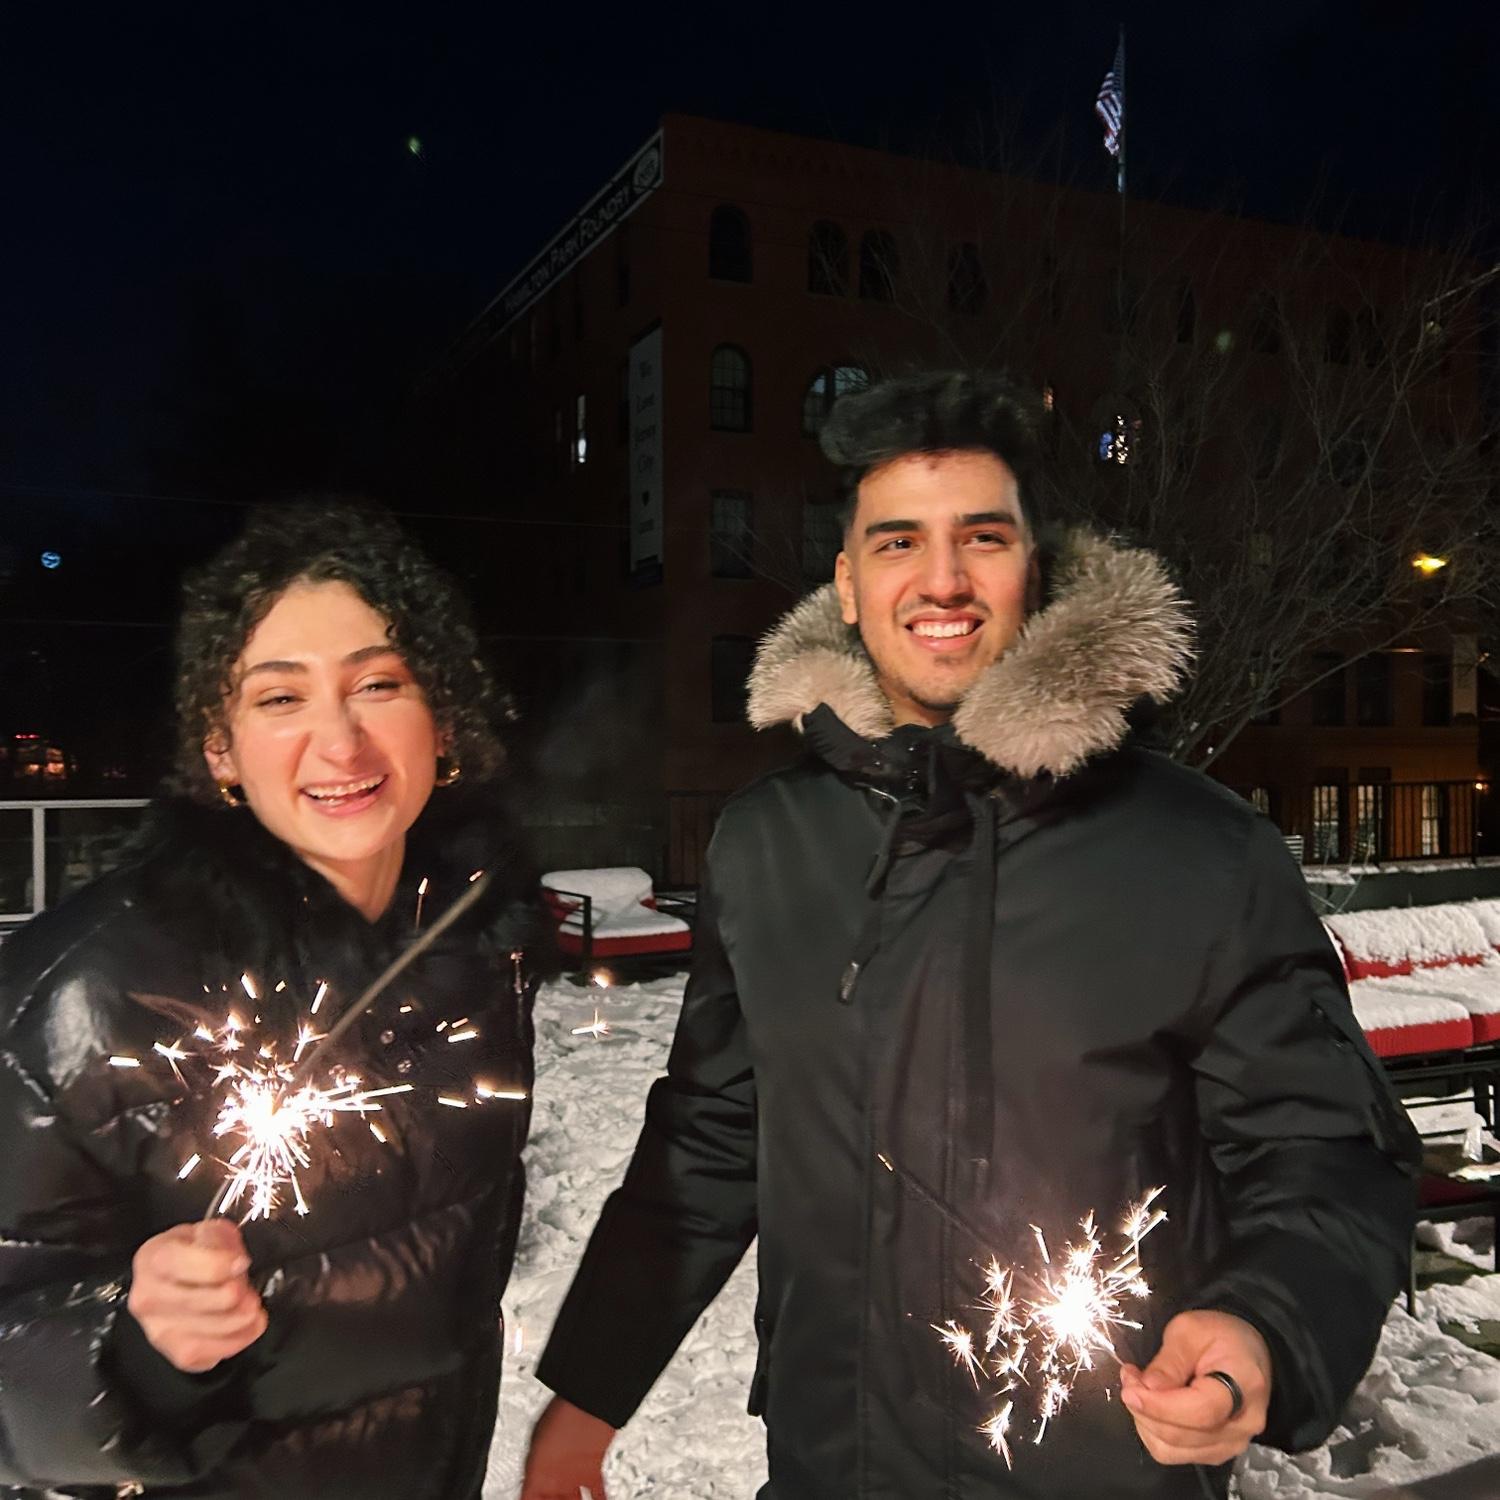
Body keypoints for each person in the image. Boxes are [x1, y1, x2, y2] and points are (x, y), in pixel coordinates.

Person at [521, 371, 1419, 1499]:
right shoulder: (766, 845)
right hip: (830, 1472)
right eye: (898, 541)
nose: (941, 579)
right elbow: (710, 1142)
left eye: (981, 538)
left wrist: (1266, 1324)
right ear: (848, 585)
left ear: (1034, 569)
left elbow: (1327, 1149)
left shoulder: (1201, 853)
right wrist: (589, 1394)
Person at [0, 504, 548, 1499]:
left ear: (444, 720)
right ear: (221, 750)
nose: (340, 743)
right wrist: (130, 1344)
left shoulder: (472, 945)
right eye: (280, 697)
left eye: (378, 684)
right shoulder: (84, 995)